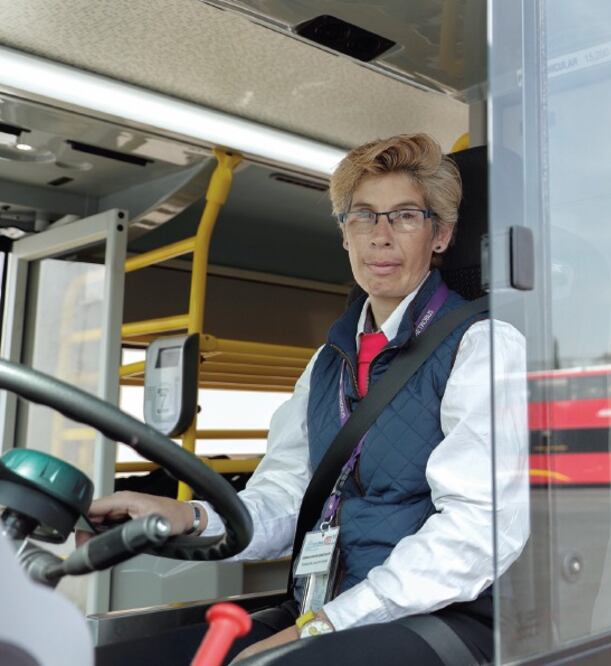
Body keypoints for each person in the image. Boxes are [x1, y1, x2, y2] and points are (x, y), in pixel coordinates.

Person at [84, 134, 530, 665]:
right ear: (344, 234)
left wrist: (327, 623)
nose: (380, 237)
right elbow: (286, 499)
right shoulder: (326, 363)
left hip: (439, 618)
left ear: (441, 235)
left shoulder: (483, 345)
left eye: (405, 216)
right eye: (362, 216)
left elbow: (478, 530)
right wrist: (189, 516)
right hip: (326, 609)